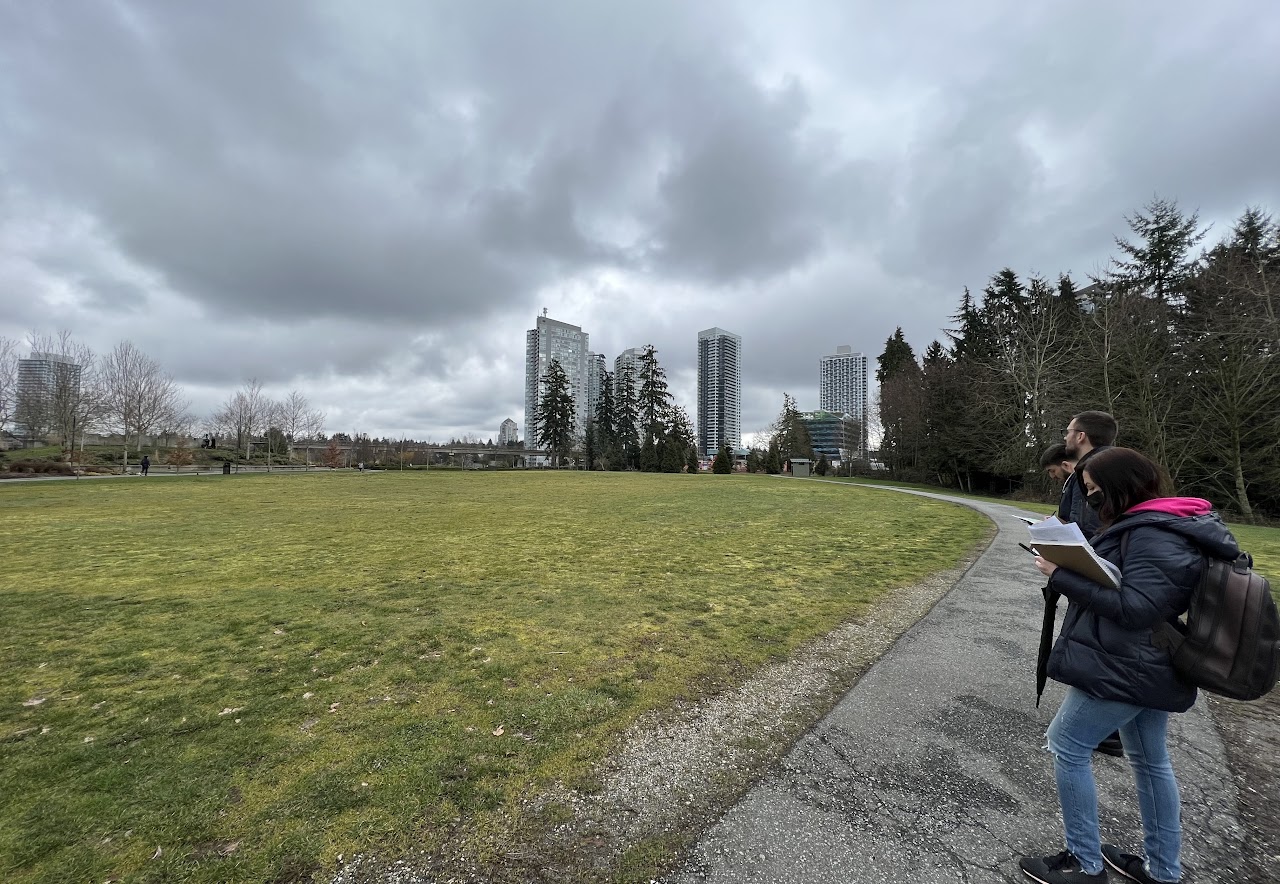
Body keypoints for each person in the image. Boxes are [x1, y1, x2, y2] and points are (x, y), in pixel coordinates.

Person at [1019, 447, 1241, 884]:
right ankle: (1162, 872)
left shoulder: (1154, 534)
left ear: (1119, 486)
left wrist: (1060, 574)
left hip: (1128, 663)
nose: (1091, 499)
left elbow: (1137, 608)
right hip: (1144, 662)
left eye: (1094, 491)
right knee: (1149, 760)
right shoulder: (1151, 523)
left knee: (1067, 745)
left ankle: (1085, 864)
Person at [1036, 414, 1125, 758]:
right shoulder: (1112, 465)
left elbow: (1087, 530)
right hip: (1107, 572)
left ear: (1082, 436)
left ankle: (1104, 730)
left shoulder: (1091, 471)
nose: (1066, 435)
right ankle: (1113, 728)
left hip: (1093, 574)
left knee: (1093, 644)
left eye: (1069, 431)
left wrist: (1061, 566)